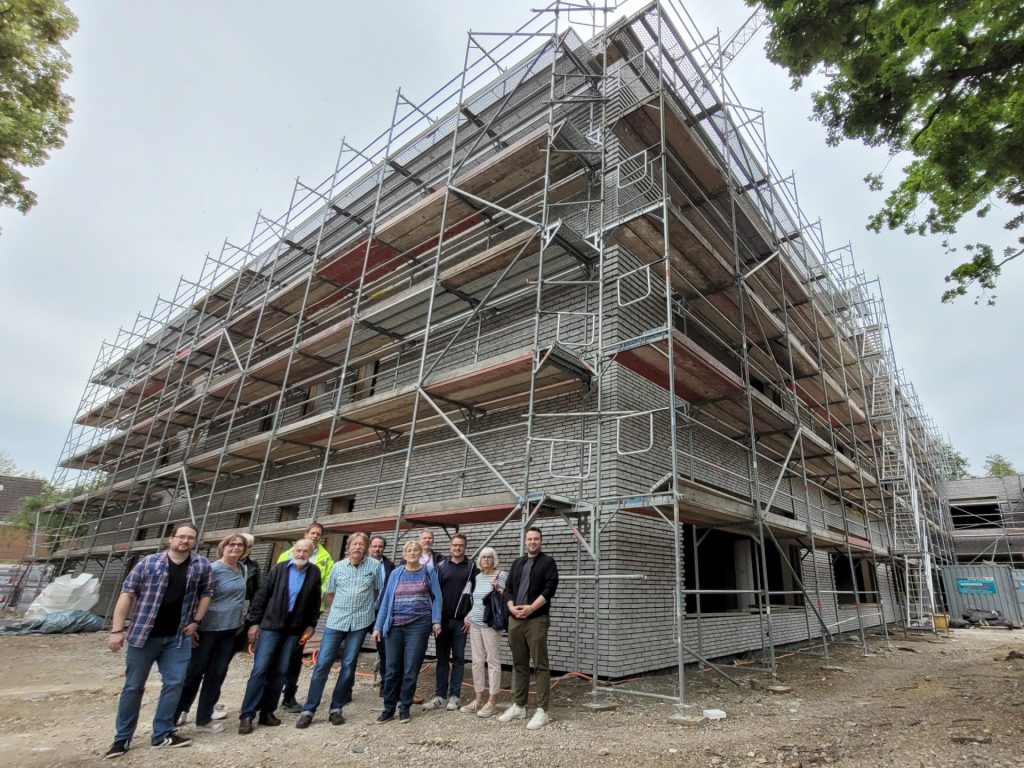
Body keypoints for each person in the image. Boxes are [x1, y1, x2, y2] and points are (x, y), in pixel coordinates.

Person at [103, 523, 212, 759]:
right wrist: (117, 630)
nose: (185, 541)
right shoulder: (148, 563)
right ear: (170, 539)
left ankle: (162, 733)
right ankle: (122, 739)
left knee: (174, 684)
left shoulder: (201, 564)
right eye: (181, 537)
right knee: (133, 687)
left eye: (190, 538)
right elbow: (127, 594)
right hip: (144, 635)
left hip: (178, 637)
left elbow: (206, 594)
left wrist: (196, 621)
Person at [296, 532, 383, 728]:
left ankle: (336, 708)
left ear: (366, 548)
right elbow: (330, 594)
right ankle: (309, 709)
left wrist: (364, 608)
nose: (358, 547)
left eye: (362, 544)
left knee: (349, 663)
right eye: (355, 544)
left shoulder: (375, 567)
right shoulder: (337, 567)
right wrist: (341, 608)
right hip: (336, 621)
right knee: (323, 664)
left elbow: (377, 591)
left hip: (360, 622)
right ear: (348, 546)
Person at [238, 538, 321, 734]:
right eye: (298, 551)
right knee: (260, 669)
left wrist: (311, 624)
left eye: (305, 552)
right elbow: (262, 595)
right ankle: (247, 714)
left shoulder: (314, 572)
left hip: (294, 630)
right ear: (294, 551)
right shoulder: (279, 569)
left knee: (282, 671)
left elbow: (314, 601)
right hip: (271, 627)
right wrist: (254, 622)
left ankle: (267, 712)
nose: (301, 555)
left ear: (311, 554)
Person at [174, 533, 248, 733]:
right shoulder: (211, 569)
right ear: (223, 547)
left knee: (217, 674)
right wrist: (192, 624)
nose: (236, 548)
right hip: (207, 629)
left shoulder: (242, 569)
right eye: (231, 544)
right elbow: (195, 597)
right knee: (194, 672)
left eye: (240, 545)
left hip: (230, 630)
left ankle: (204, 718)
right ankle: (178, 711)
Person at [371, 539, 441, 724]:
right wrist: (378, 626)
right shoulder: (396, 573)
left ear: (420, 554)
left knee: (411, 669)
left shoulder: (428, 571)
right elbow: (386, 601)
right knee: (392, 669)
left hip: (418, 626)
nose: (412, 553)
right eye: (409, 550)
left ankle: (404, 708)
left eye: (415, 550)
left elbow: (437, 598)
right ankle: (388, 708)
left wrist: (436, 621)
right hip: (395, 626)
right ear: (404, 554)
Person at [499, 527, 558, 730]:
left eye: (536, 539)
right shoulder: (518, 563)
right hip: (515, 619)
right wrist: (511, 606)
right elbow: (507, 589)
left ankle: (543, 711)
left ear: (541, 541)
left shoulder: (548, 563)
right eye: (530, 539)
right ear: (525, 541)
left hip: (536, 619)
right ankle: (519, 705)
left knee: (540, 665)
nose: (532, 542)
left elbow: (550, 589)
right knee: (519, 663)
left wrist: (531, 607)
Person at [277, 522, 334, 712]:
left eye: (319, 534)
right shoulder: (287, 554)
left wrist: (315, 595)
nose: (315, 536)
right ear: (306, 533)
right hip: (282, 612)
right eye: (313, 533)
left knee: (295, 655)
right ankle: (268, 694)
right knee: (274, 655)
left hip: (308, 614)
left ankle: (289, 696)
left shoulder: (326, 559)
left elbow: (328, 582)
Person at [422, 533, 475, 712]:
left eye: (460, 545)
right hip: (442, 621)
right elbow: (432, 593)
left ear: (465, 547)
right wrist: (433, 619)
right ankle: (440, 696)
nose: (457, 548)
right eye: (454, 545)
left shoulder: (472, 567)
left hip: (461, 622)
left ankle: (455, 696)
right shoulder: (440, 566)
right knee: (442, 659)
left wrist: (471, 616)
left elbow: (477, 594)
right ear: (450, 546)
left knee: (459, 659)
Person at [461, 546, 506, 718]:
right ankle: (478, 698)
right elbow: (476, 602)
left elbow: (505, 598)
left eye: (489, 557)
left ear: (495, 559)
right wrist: (469, 615)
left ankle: (492, 701)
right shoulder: (478, 577)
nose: (486, 559)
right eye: (484, 557)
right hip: (475, 624)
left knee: (492, 660)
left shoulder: (500, 575)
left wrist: (498, 589)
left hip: (490, 624)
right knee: (477, 661)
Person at [368, 534, 395, 693]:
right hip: (362, 612)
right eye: (374, 546)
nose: (377, 549)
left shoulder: (389, 565)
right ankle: (347, 690)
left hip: (380, 613)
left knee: (384, 650)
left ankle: (385, 684)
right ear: (369, 547)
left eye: (380, 547)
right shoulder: (362, 563)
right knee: (353, 650)